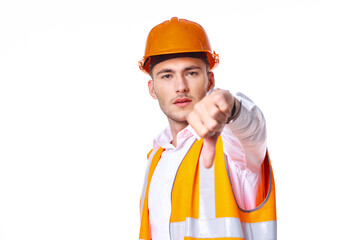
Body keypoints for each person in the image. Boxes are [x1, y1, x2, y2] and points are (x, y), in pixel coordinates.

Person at [138, 17, 276, 240]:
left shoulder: (231, 147)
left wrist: (231, 107)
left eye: (191, 73)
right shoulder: (156, 158)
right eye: (167, 76)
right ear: (152, 88)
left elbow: (252, 130)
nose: (180, 86)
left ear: (210, 81)